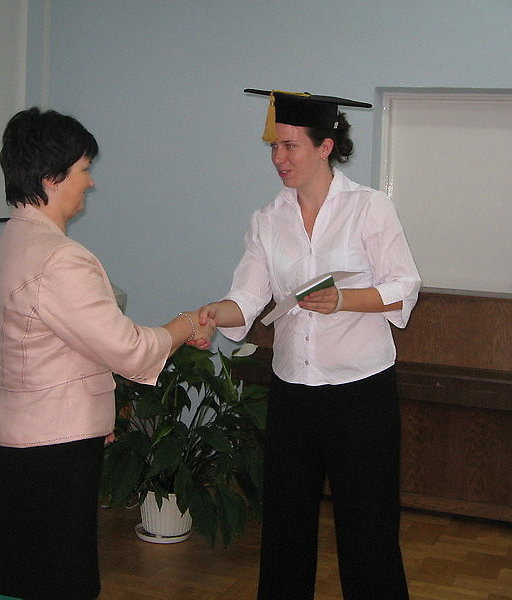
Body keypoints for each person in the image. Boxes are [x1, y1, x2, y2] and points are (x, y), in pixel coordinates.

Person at [0, 107, 215, 600]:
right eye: (84, 170)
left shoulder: (11, 240)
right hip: (49, 448)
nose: (89, 182)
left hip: (20, 437)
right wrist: (187, 324)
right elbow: (129, 349)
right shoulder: (60, 258)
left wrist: (94, 414)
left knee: (24, 575)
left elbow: (64, 343)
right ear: (51, 177)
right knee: (62, 579)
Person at [195, 89, 421, 600]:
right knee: (285, 527)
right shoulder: (267, 219)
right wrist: (213, 313)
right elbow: (247, 298)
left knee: (368, 530)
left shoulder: (369, 208)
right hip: (293, 392)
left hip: (360, 393)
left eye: (290, 146)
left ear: (325, 147)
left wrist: (343, 300)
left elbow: (404, 287)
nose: (279, 158)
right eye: (274, 146)